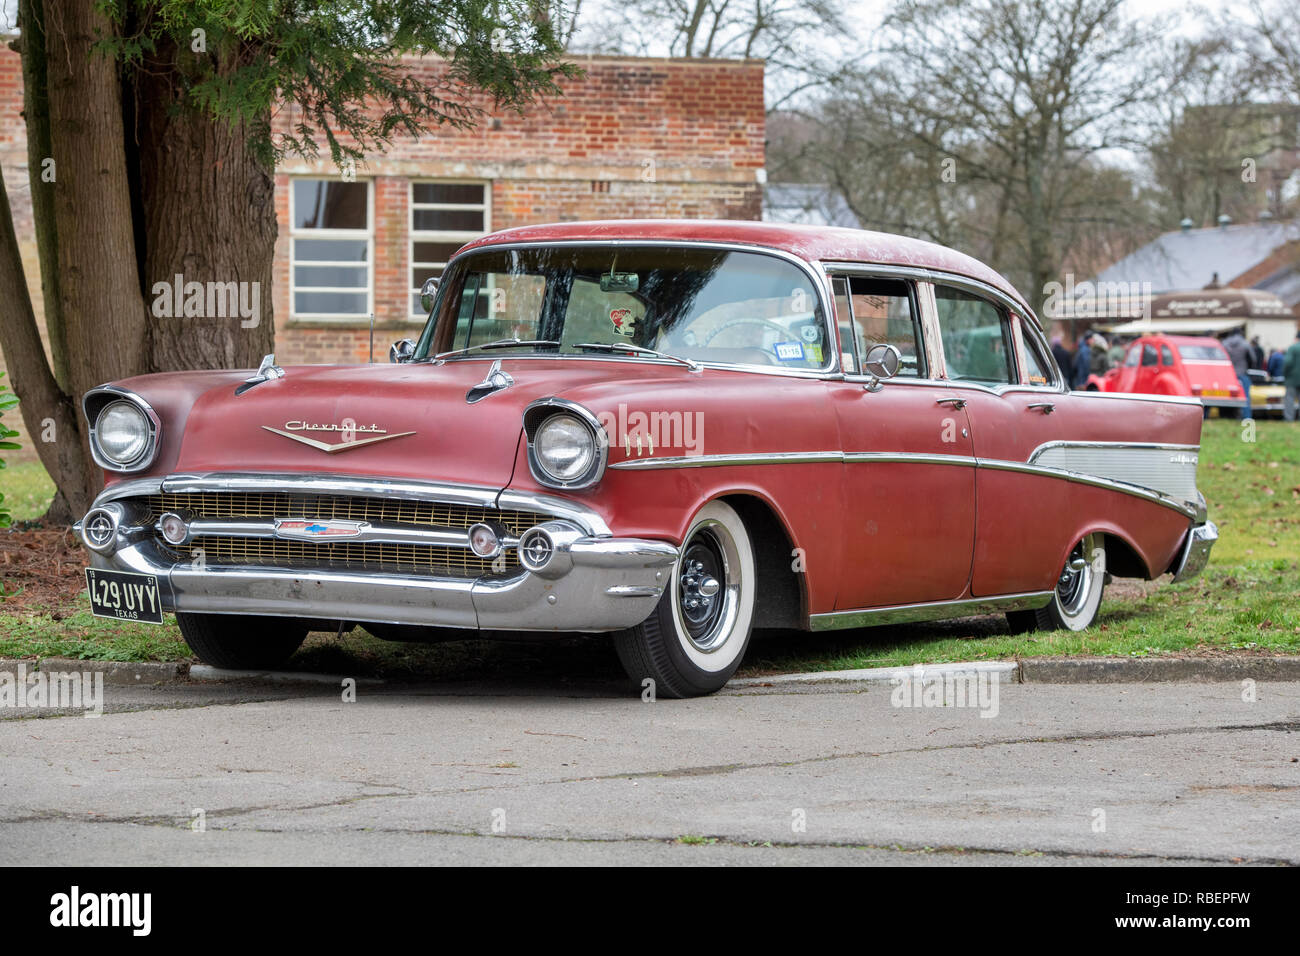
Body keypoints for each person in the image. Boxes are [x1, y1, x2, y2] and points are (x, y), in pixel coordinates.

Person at [1222, 328, 1253, 419]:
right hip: (1242, 372)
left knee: (1227, 396)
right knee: (1245, 397)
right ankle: (1246, 417)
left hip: (1228, 374)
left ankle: (1227, 416)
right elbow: (1252, 359)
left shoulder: (1224, 343)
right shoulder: (1245, 343)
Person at [1284, 332, 1300, 423]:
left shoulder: (1292, 348)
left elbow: (1287, 363)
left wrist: (1285, 375)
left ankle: (1289, 419)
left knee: (1289, 399)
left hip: (1292, 379)